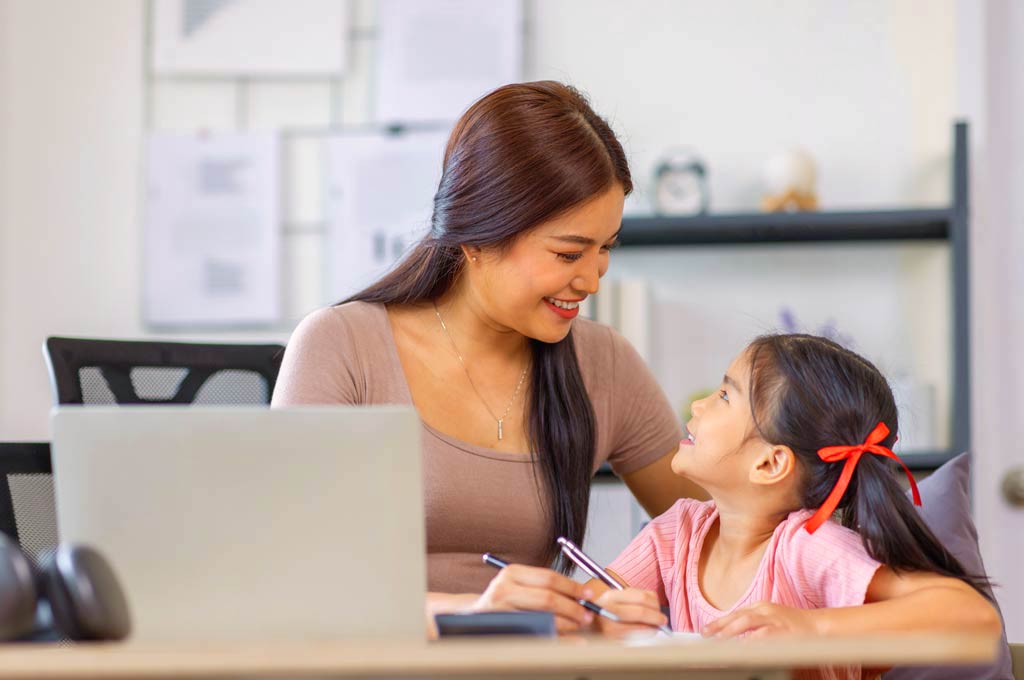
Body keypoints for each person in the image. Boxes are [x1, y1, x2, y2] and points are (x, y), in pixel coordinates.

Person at [271, 81, 705, 633]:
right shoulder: (341, 346)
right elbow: (290, 581)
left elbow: (726, 532)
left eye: (606, 249)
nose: (593, 278)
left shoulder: (604, 363)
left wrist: (611, 598)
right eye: (569, 252)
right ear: (476, 238)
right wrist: (469, 615)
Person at [589, 334, 1001, 674]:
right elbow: (585, 605)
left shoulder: (807, 546)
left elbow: (973, 616)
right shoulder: (675, 533)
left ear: (770, 463)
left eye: (724, 396)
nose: (697, 406)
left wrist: (811, 625)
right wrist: (601, 615)